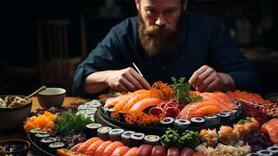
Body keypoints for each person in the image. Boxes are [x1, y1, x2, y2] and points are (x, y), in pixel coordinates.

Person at [73, 0, 259, 97]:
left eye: (170, 11)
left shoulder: (208, 29)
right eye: (151, 11)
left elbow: (250, 77)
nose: (160, 21)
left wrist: (223, 79)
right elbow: (81, 79)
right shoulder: (122, 33)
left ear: (184, 4)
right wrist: (108, 76)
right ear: (137, 4)